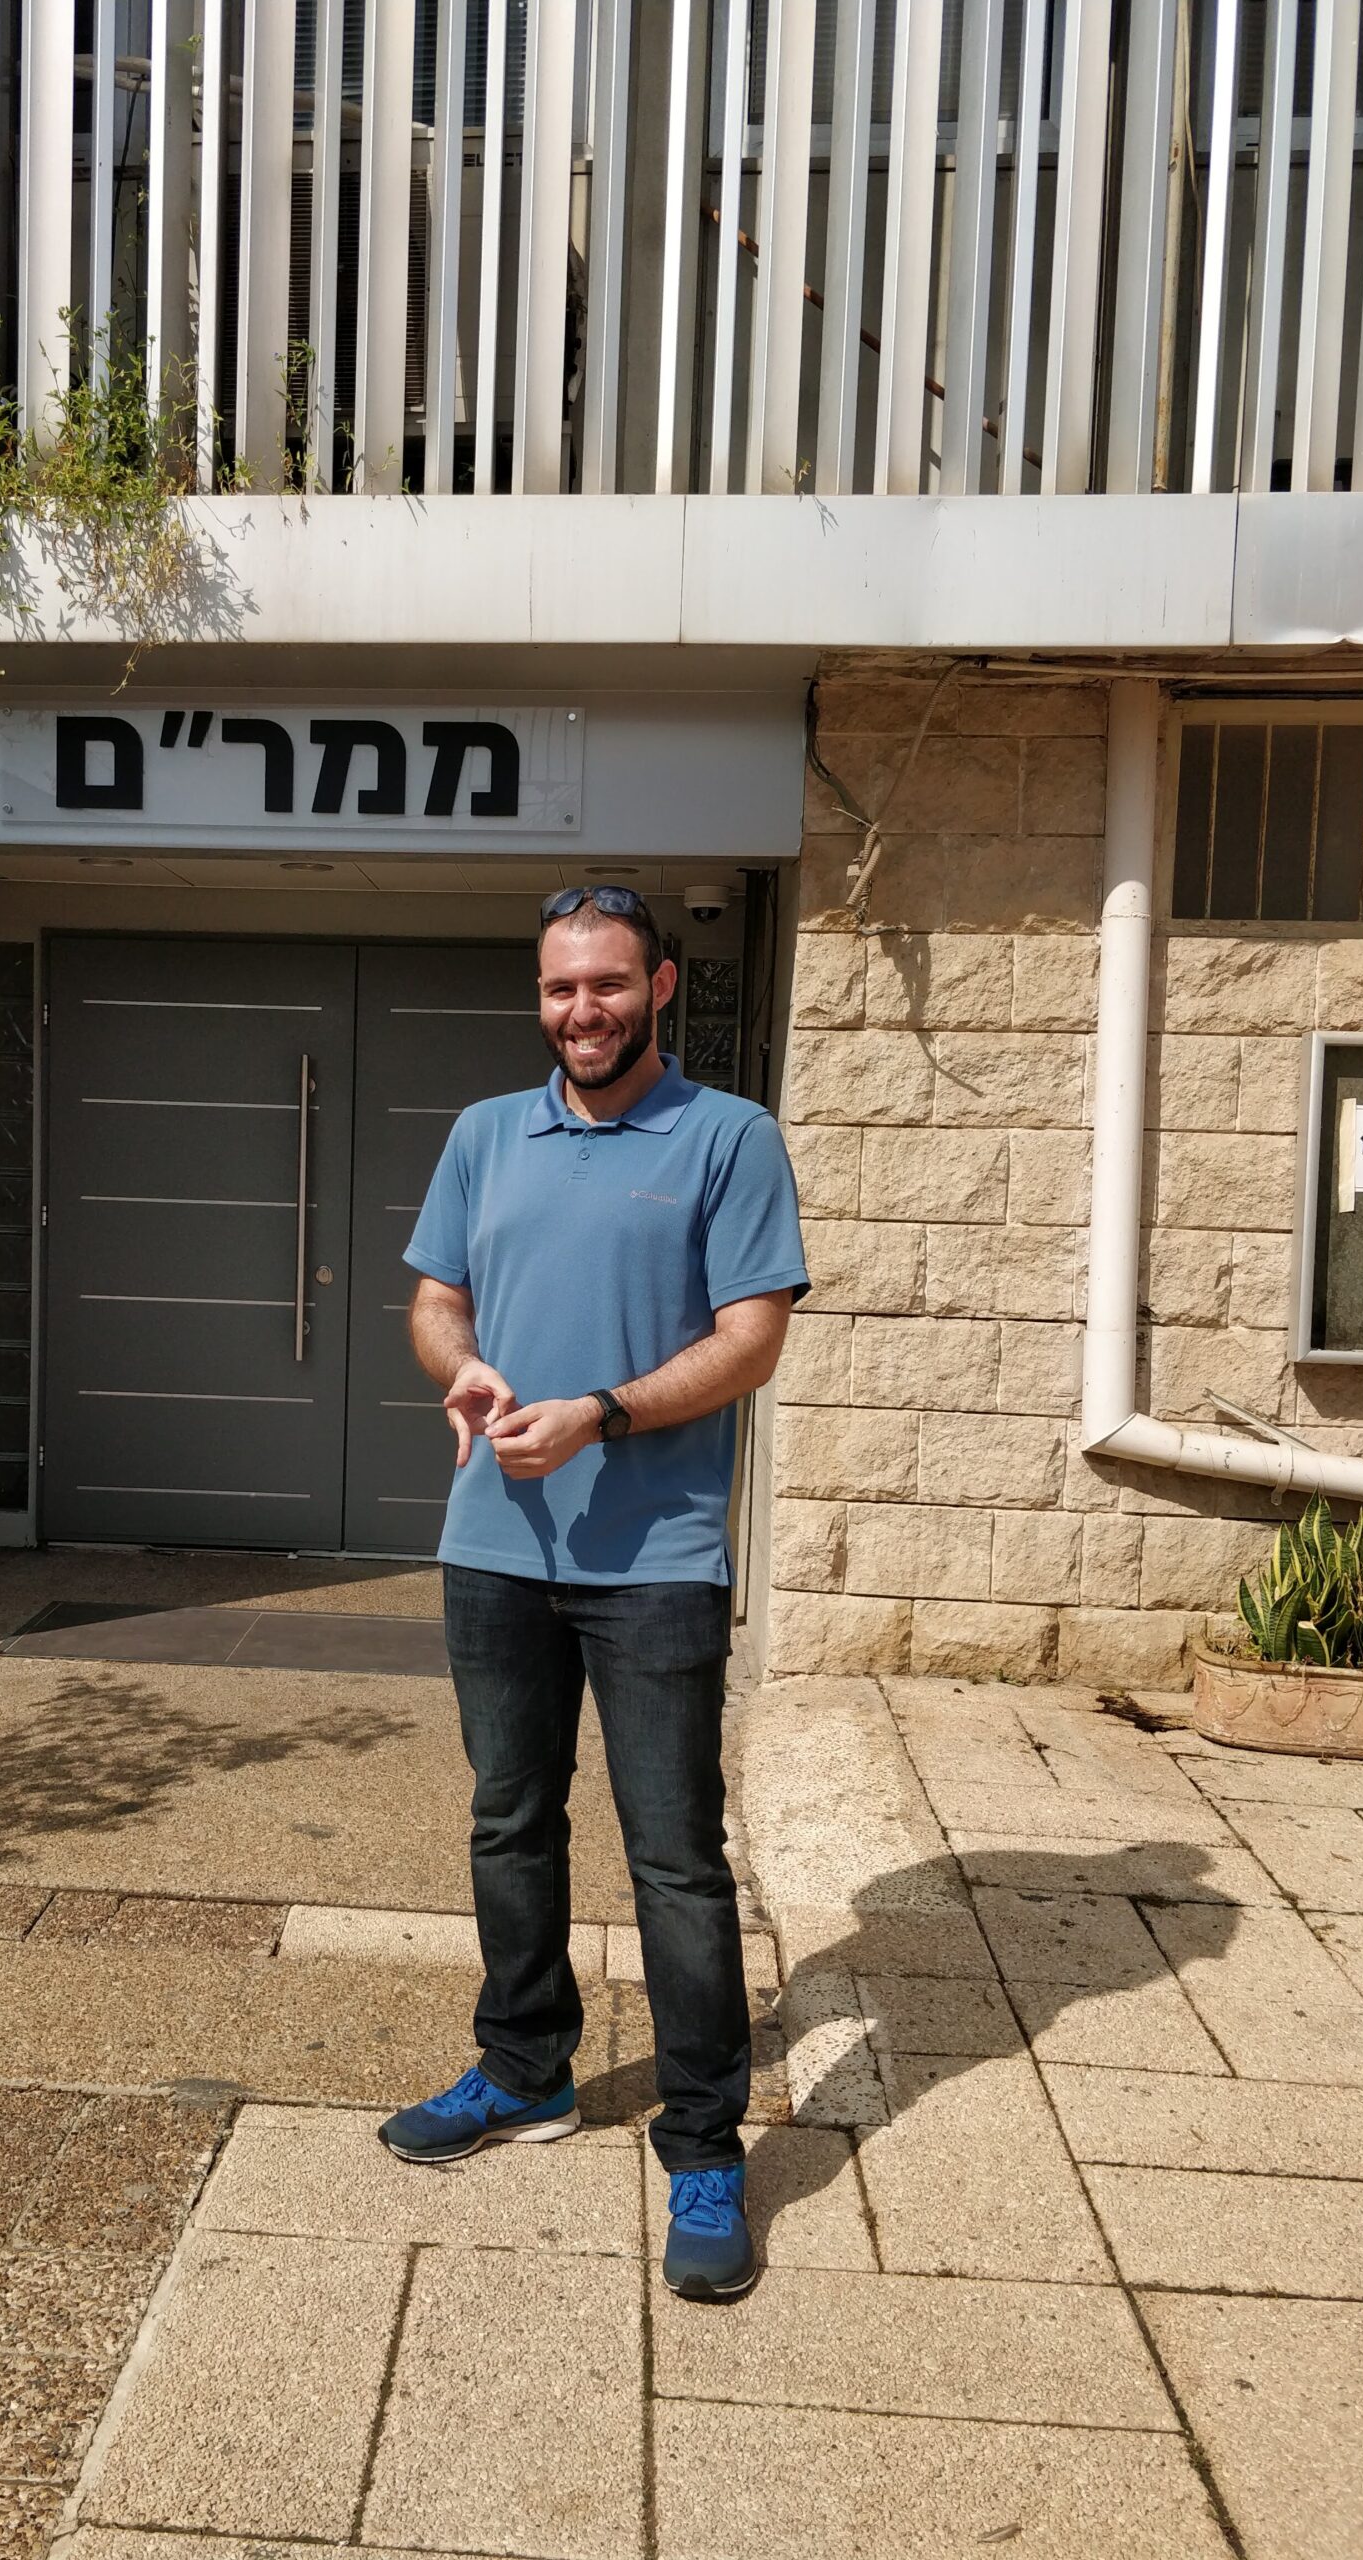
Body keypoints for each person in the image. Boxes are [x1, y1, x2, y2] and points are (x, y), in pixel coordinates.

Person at [378, 884, 807, 2303]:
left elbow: (751, 1340)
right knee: (510, 1821)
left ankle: (704, 2143)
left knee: (675, 1858)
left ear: (660, 987)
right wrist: (463, 1367)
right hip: (494, 1547)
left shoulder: (729, 1137)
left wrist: (602, 1413)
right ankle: (525, 2071)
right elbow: (437, 1297)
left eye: (610, 984)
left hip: (656, 1564)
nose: (583, 1011)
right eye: (562, 987)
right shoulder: (485, 1134)